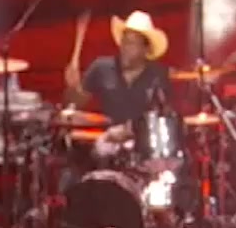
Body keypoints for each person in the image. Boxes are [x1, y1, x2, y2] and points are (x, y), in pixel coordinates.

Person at [64, 10, 171, 154]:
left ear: (146, 49)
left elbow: (163, 119)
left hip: (142, 146)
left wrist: (129, 130)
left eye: (132, 43)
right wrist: (72, 87)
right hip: (108, 144)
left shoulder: (158, 75)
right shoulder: (101, 67)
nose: (125, 47)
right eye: (124, 41)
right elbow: (73, 104)